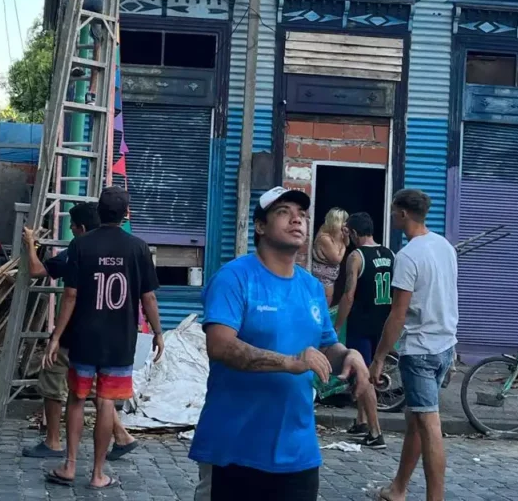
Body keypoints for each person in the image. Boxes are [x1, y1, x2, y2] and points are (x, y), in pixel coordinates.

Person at [189, 186, 374, 501]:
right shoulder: (234, 278)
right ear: (260, 226)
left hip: (297, 450)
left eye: (301, 214)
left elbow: (327, 343)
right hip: (235, 447)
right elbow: (220, 347)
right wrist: (289, 362)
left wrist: (349, 355)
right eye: (283, 213)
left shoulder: (311, 287)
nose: (296, 220)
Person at [44, 186, 164, 491]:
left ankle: (69, 465)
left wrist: (56, 336)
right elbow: (148, 296)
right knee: (107, 402)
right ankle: (98, 473)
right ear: (126, 214)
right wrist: (159, 333)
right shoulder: (138, 248)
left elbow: (70, 295)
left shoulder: (81, 245)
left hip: (85, 337)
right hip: (119, 339)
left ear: (99, 211)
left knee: (76, 398)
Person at [20, 202, 138, 461]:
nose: (72, 231)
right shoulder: (125, 250)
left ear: (82, 228)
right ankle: (122, 435)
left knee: (54, 381)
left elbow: (39, 272)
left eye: (73, 227)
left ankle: (53, 442)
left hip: (75, 332)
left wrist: (30, 244)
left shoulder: (77, 251)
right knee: (97, 389)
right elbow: (147, 296)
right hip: (106, 334)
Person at [369, 189, 457, 501]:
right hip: (446, 346)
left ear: (403, 214)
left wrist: (379, 357)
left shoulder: (406, 257)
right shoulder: (444, 246)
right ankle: (399, 488)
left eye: (393, 211)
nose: (392, 216)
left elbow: (397, 314)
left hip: (420, 350)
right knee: (417, 420)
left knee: (429, 425)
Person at [334, 211, 392, 446]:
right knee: (370, 371)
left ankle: (376, 432)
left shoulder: (356, 257)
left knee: (363, 376)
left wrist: (338, 325)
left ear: (355, 233)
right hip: (383, 322)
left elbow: (349, 295)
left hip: (362, 322)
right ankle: (362, 421)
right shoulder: (390, 254)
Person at [310, 207, 349, 305]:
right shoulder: (325, 238)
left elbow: (347, 243)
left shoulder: (336, 234)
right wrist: (343, 246)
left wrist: (346, 236)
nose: (346, 224)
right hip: (323, 280)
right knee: (322, 308)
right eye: (345, 221)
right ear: (337, 222)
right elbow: (337, 259)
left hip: (329, 280)